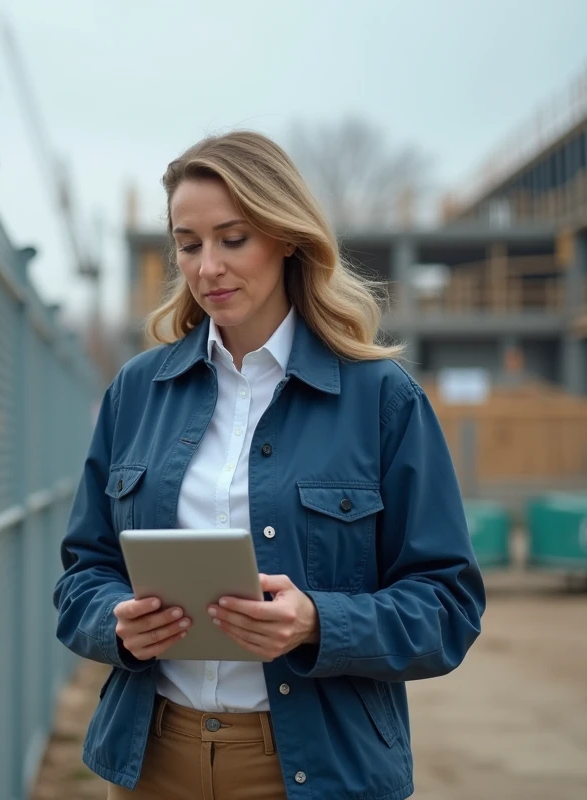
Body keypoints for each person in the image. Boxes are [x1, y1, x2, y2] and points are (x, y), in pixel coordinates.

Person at [53, 130, 485, 800]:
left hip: (317, 771)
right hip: (152, 760)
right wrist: (117, 621)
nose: (207, 268)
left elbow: (447, 604)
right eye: (188, 244)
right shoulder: (135, 394)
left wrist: (317, 621)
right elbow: (83, 575)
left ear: (285, 237)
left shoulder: (382, 400)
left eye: (233, 239)